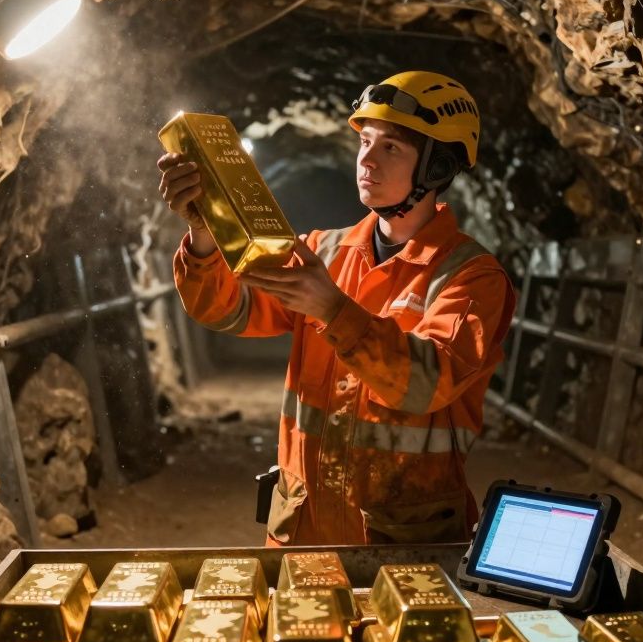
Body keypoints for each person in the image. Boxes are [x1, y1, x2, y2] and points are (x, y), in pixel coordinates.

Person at [158, 70, 515, 545]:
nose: (367, 159)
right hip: (304, 531)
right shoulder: (322, 252)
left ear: (437, 168)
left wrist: (332, 308)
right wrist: (204, 234)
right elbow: (228, 309)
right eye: (366, 141)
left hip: (403, 545)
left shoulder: (471, 278)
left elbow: (427, 384)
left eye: (391, 147)